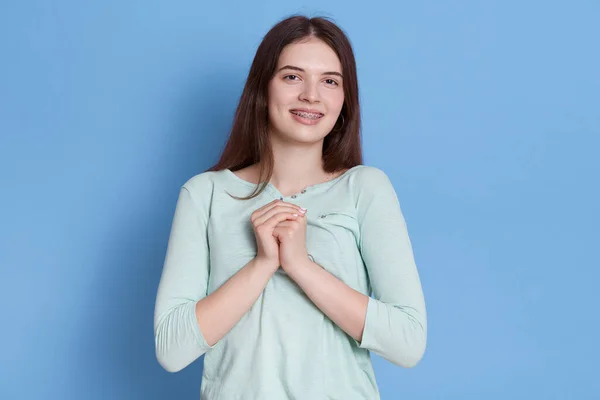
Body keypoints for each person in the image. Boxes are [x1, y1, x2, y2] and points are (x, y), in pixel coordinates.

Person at [154, 14, 427, 400]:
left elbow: (408, 342)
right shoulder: (205, 195)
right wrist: (263, 263)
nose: (311, 95)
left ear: (344, 99)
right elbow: (172, 349)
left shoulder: (365, 188)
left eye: (330, 81)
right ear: (263, 88)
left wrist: (300, 265)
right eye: (292, 76)